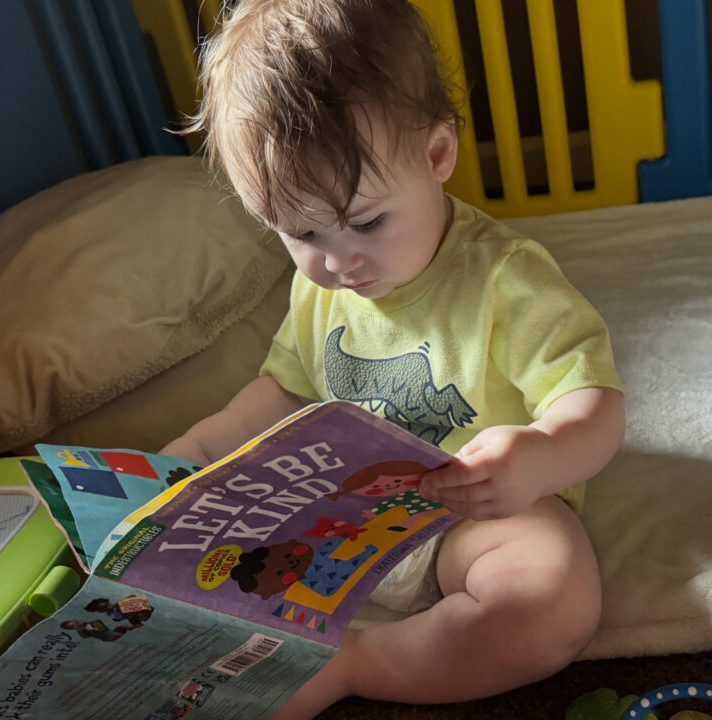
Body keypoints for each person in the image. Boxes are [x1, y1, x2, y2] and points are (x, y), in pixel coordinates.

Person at [161, 1, 626, 718]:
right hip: (340, 527)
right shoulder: (321, 286)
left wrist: (540, 453)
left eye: (368, 221)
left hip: (472, 519)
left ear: (438, 157)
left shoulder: (507, 281)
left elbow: (595, 405)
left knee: (551, 601)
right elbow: (282, 392)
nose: (339, 260)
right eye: (301, 231)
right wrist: (196, 452)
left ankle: (358, 665)